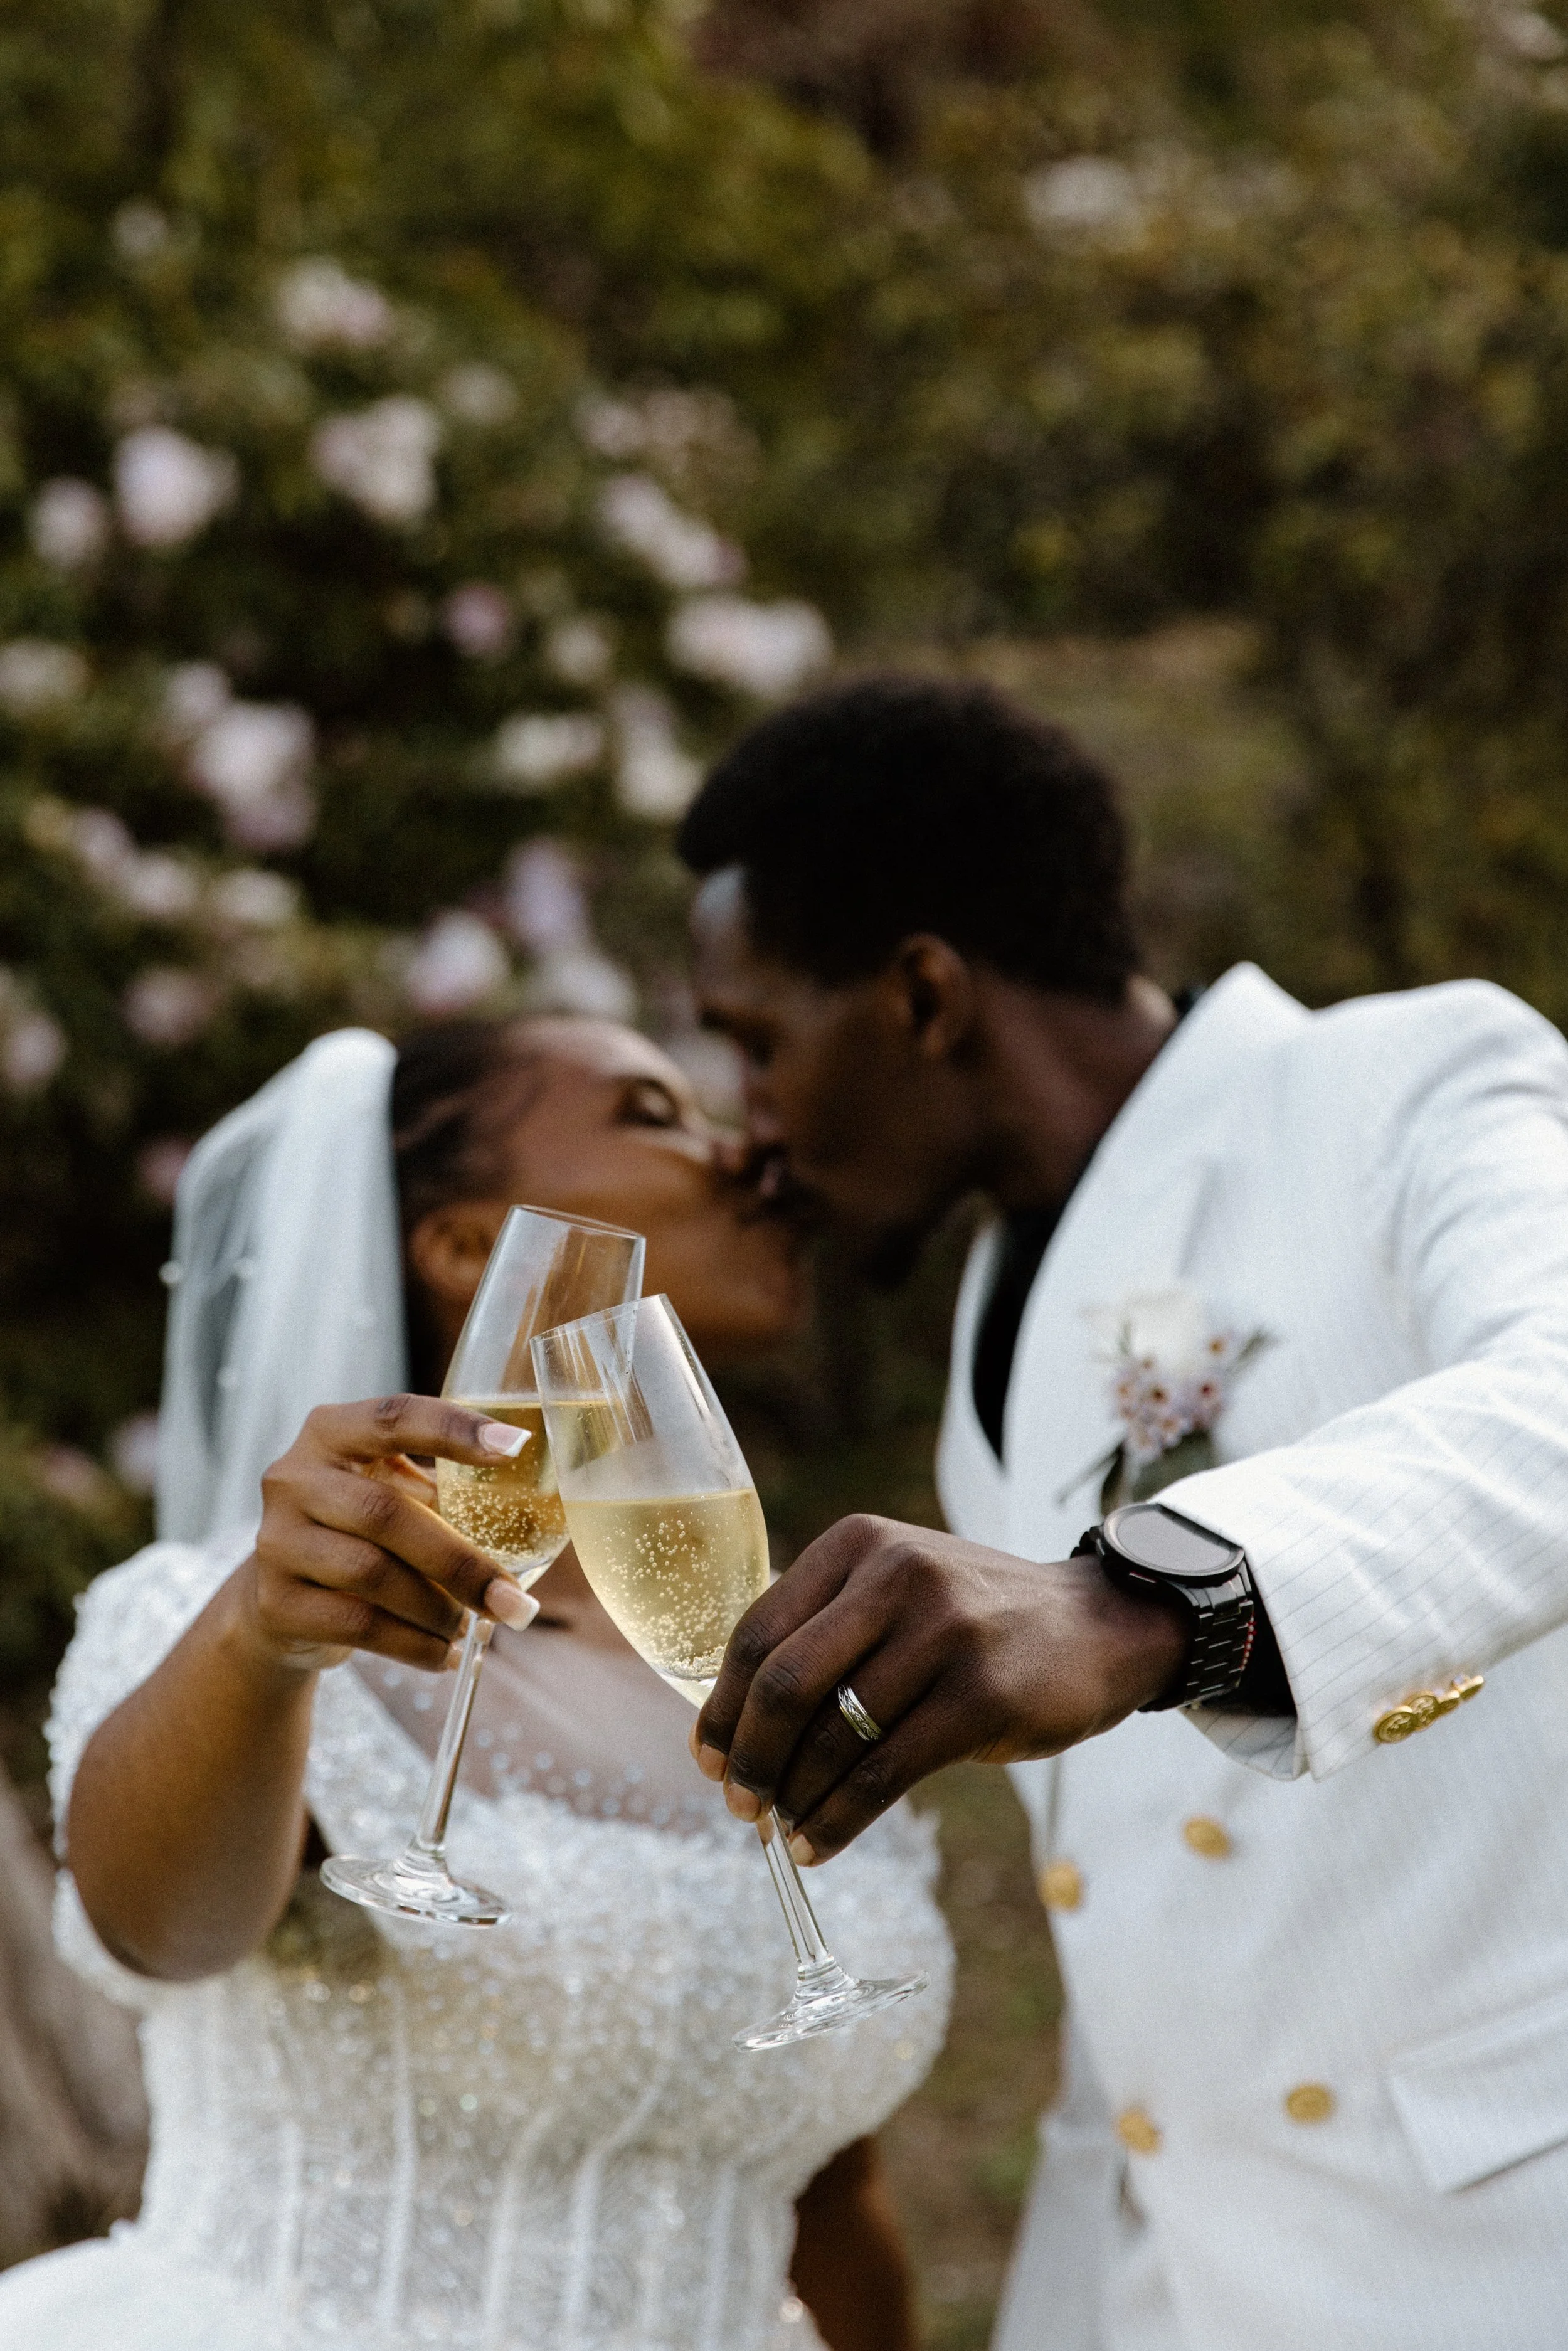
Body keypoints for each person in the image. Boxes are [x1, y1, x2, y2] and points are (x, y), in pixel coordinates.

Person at [678, 672, 1568, 2351]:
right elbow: (1137, 1914)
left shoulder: (1398, 1081)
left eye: (754, 1041)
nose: (752, 1124)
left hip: (1499, 2253)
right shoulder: (985, 1327)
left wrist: (1144, 1603)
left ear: (922, 991)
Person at [0, 1014, 951, 2351]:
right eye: (649, 1110)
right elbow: (162, 1930)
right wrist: (258, 1645)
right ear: (462, 1246)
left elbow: (827, 2185)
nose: (742, 1155)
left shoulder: (766, 1643)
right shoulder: (242, 1618)